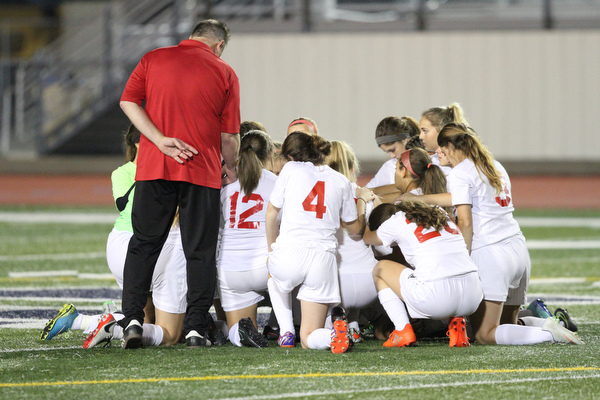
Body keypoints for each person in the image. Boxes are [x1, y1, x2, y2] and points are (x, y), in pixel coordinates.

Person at [118, 19, 240, 349]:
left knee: (144, 243)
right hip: (201, 171)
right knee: (199, 253)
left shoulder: (153, 58)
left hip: (155, 166)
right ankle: (196, 326)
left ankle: (131, 318)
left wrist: (158, 140)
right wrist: (232, 169)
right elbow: (229, 135)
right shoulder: (224, 72)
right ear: (220, 45)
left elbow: (128, 101)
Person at [41, 125, 187, 349]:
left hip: (123, 246)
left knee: (145, 323)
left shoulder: (153, 170)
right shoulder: (129, 172)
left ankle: (80, 321)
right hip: (152, 245)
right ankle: (111, 325)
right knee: (172, 334)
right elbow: (124, 204)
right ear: (138, 143)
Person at [437, 122, 582, 345]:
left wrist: (462, 260)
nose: (437, 153)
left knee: (484, 334)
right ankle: (553, 325)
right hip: (518, 250)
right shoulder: (495, 165)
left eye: (440, 147)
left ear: (449, 146)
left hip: (492, 254)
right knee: (509, 327)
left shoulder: (459, 174)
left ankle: (550, 334)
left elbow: (465, 221)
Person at [265, 132, 368, 354]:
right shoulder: (341, 181)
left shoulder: (291, 170)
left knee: (273, 274)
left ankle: (285, 331)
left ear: (291, 156)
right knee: (309, 336)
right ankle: (334, 334)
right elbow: (355, 229)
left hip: (291, 252)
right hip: (323, 259)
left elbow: (272, 213)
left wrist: (271, 250)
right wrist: (361, 202)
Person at [363, 201, 484, 347]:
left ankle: (402, 330)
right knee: (448, 267)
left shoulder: (394, 221)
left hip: (437, 299)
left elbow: (367, 238)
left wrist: (366, 216)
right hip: (473, 296)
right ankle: (457, 325)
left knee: (380, 268)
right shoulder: (440, 211)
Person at [218, 131, 277, 348]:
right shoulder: (277, 183)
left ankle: (236, 333)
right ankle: (292, 326)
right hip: (267, 269)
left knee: (238, 330)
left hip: (230, 271)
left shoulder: (226, 188)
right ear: (269, 153)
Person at [325, 141, 380, 343]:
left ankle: (328, 327)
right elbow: (381, 245)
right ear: (351, 167)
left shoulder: (316, 197)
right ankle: (354, 325)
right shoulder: (367, 196)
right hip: (370, 286)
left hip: (334, 289)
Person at [366, 116, 420, 199]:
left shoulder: (430, 161)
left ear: (405, 139)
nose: (392, 156)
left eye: (393, 150)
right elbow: (366, 191)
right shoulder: (390, 166)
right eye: (388, 152)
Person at [419, 103, 468, 175]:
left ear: (441, 130)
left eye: (425, 131)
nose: (420, 136)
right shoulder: (432, 160)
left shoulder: (457, 165)